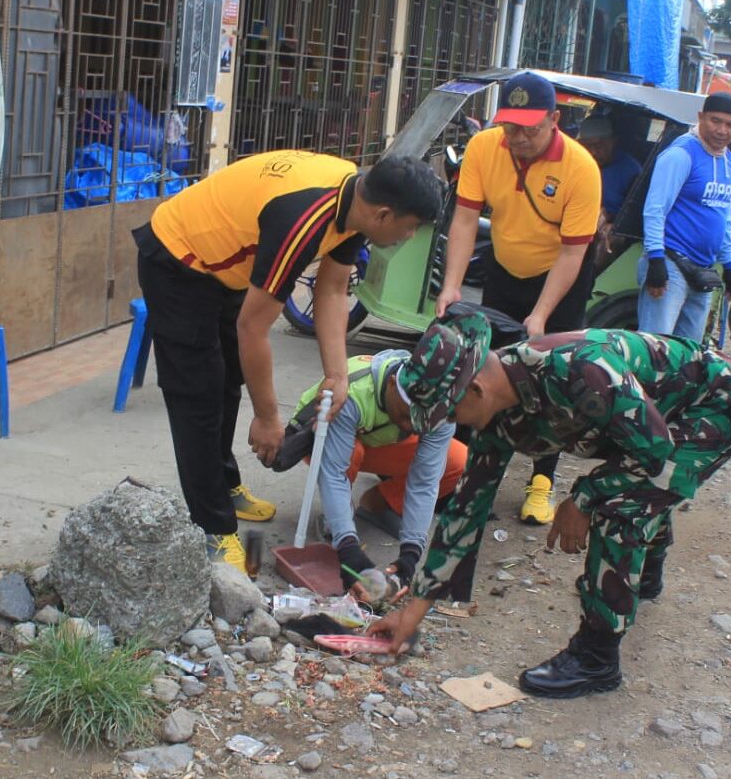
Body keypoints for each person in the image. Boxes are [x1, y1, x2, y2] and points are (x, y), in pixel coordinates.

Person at [362, 313, 731, 696]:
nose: (452, 423)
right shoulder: (498, 407)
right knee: (630, 483)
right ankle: (645, 575)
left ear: (476, 390)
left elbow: (655, 451)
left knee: (618, 501)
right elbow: (466, 508)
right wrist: (413, 612)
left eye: (450, 412)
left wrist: (580, 499)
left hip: (711, 407)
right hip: (652, 420)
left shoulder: (578, 370)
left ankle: (597, 657)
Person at [134, 152, 443, 570]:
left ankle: (222, 485)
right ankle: (212, 528)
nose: (407, 239)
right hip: (179, 259)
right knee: (198, 394)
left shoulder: (355, 202)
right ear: (384, 215)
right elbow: (253, 329)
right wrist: (266, 418)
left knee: (227, 379)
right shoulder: (303, 221)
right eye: (409, 230)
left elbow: (332, 290)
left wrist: (337, 375)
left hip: (227, 267)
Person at [436, 71, 603, 525]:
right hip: (505, 269)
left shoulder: (581, 168)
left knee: (552, 379)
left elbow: (573, 252)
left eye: (530, 128)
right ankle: (468, 475)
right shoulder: (485, 148)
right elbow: (466, 220)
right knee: (485, 370)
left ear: (554, 119)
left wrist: (541, 316)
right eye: (511, 127)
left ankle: (541, 482)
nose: (519, 137)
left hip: (560, 279)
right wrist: (452, 285)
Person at [274, 351, 464, 594]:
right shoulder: (353, 393)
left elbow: (425, 482)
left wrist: (410, 556)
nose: (412, 426)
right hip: (324, 436)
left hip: (379, 442)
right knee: (351, 454)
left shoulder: (441, 411)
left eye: (421, 421)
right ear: (394, 383)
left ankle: (378, 503)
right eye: (407, 415)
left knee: (457, 463)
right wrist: (348, 549)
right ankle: (339, 524)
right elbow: (334, 472)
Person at [638, 92, 731, 339]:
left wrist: (730, 265)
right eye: (715, 121)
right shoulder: (681, 154)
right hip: (670, 263)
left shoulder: (730, 162)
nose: (722, 130)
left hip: (703, 269)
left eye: (730, 125)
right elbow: (655, 209)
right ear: (700, 117)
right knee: (657, 348)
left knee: (689, 354)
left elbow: (726, 215)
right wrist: (655, 259)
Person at [578, 115, 644, 251]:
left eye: (599, 145)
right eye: (587, 146)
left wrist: (610, 218)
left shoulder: (630, 170)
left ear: (613, 141)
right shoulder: (575, 163)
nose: (594, 152)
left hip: (610, 226)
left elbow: (636, 214)